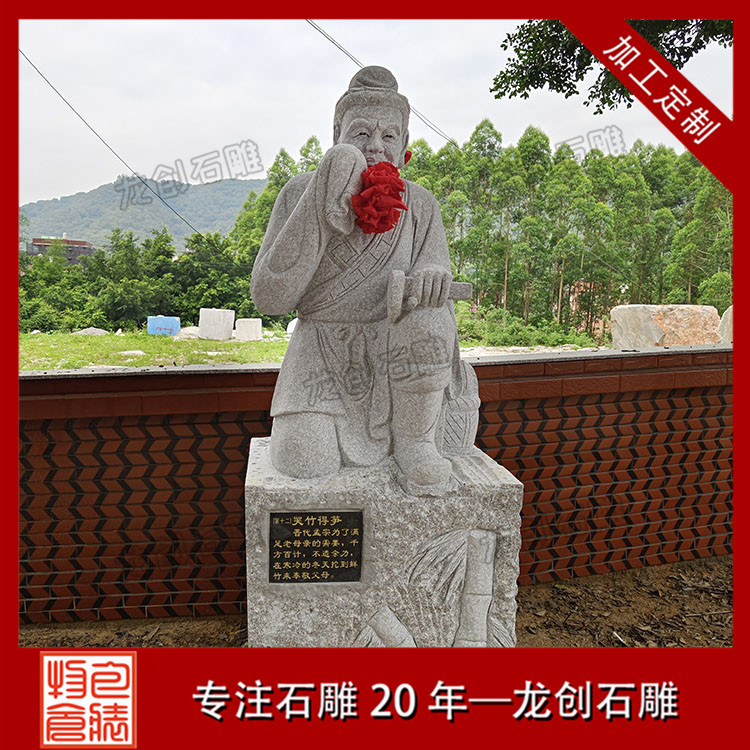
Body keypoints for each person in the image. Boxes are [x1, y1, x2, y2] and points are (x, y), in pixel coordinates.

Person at [251, 66, 477, 495]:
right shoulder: (299, 193)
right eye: (361, 133)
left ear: (404, 144)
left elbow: (437, 268)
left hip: (394, 356)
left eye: (389, 135)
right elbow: (270, 298)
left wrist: (430, 278)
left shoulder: (420, 205)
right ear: (336, 136)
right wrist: (320, 205)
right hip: (318, 353)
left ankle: (414, 441)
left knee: (430, 318)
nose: (375, 146)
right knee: (304, 462)